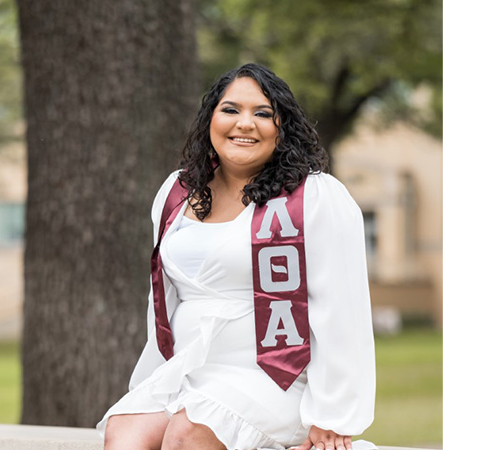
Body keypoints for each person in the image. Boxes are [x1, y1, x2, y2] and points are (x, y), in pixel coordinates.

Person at [96, 63, 376, 450]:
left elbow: (342, 307)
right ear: (210, 119)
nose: (245, 123)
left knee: (188, 432)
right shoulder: (177, 193)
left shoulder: (312, 197)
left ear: (283, 128)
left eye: (262, 113)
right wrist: (155, 377)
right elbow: (161, 300)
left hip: (275, 379)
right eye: (231, 110)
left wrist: (332, 415)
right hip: (190, 373)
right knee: (124, 432)